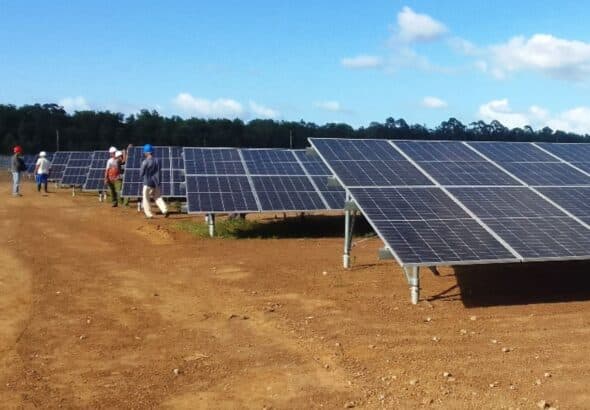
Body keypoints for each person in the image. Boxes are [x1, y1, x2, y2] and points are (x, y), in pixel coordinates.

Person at [139, 144, 168, 219]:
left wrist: (141, 176)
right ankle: (164, 210)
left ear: (147, 152)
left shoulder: (145, 162)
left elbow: (141, 173)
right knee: (158, 197)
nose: (144, 153)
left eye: (145, 152)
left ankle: (149, 214)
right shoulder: (158, 160)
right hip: (156, 183)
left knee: (146, 198)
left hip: (147, 183)